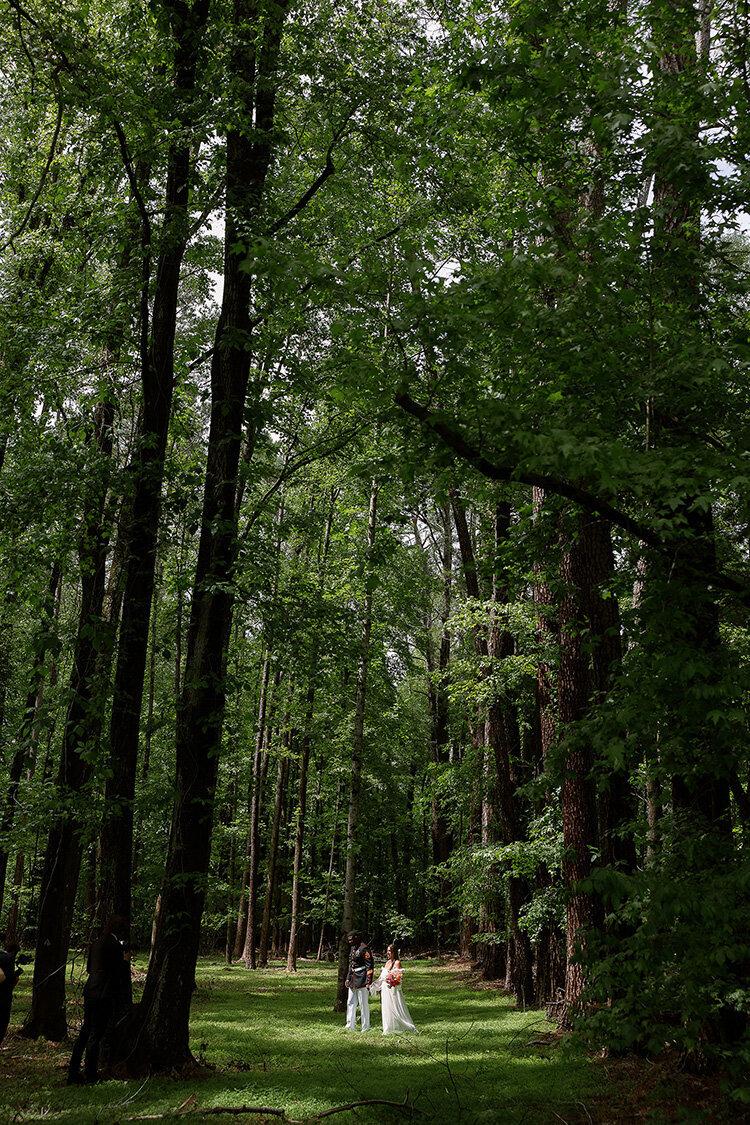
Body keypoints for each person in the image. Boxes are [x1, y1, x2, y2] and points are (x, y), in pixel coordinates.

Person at [67, 915, 130, 1085]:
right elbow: (118, 970)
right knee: (96, 1033)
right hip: (104, 992)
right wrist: (125, 961)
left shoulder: (97, 942)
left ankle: (73, 1071)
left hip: (91, 989)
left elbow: (89, 968)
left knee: (86, 1031)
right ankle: (90, 1073)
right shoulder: (114, 945)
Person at [372, 943, 417, 1035]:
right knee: (386, 1008)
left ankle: (404, 1026)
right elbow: (381, 977)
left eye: (390, 951)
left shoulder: (397, 963)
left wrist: (391, 981)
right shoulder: (387, 962)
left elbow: (398, 979)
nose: (388, 953)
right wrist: (373, 985)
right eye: (387, 950)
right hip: (385, 989)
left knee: (395, 1008)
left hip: (392, 990)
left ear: (394, 952)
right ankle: (388, 1028)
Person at [344, 930, 374, 1032]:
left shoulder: (364, 949)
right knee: (350, 1002)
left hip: (362, 979)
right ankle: (349, 1025)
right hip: (353, 979)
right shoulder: (353, 948)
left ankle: (365, 1027)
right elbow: (351, 965)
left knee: (363, 1004)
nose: (349, 942)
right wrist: (348, 978)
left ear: (356, 938)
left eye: (351, 940)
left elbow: (369, 966)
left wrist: (368, 981)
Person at [0, 940, 21, 1044]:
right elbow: (10, 981)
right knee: (3, 1022)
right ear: (14, 952)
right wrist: (16, 976)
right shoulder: (9, 959)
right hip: (3, 998)